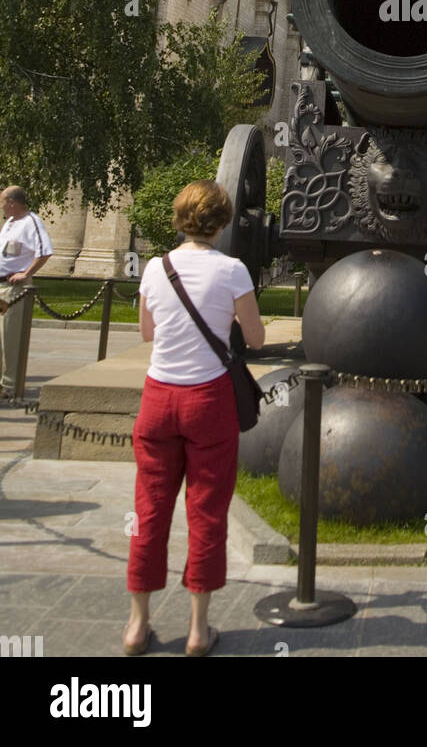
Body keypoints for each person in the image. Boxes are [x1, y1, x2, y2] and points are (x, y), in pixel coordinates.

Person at [124, 179, 265, 657]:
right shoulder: (233, 271)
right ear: (222, 222)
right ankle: (198, 630)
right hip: (208, 400)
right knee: (206, 512)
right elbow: (257, 337)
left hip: (158, 398)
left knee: (148, 511)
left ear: (178, 219)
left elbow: (147, 332)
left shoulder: (155, 268)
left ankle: (137, 625)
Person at [0, 186, 54, 397]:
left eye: (3, 201)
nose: (2, 206)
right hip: (1, 285)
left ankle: (10, 386)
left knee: (10, 338)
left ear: (12, 202)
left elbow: (45, 252)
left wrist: (26, 273)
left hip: (14, 288)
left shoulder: (32, 222)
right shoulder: (9, 224)